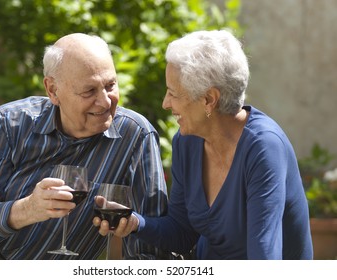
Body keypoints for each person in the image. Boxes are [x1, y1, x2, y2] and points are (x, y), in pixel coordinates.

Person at [94, 30, 314, 260]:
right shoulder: (187, 141)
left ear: (209, 99)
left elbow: (264, 253)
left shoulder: (264, 147)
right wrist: (134, 223)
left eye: (173, 93)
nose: (165, 103)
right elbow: (181, 233)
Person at [0, 33, 171, 260]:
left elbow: (151, 245)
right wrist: (27, 210)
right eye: (89, 91)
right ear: (53, 90)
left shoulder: (136, 135)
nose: (105, 101)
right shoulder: (10, 122)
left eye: (110, 85)